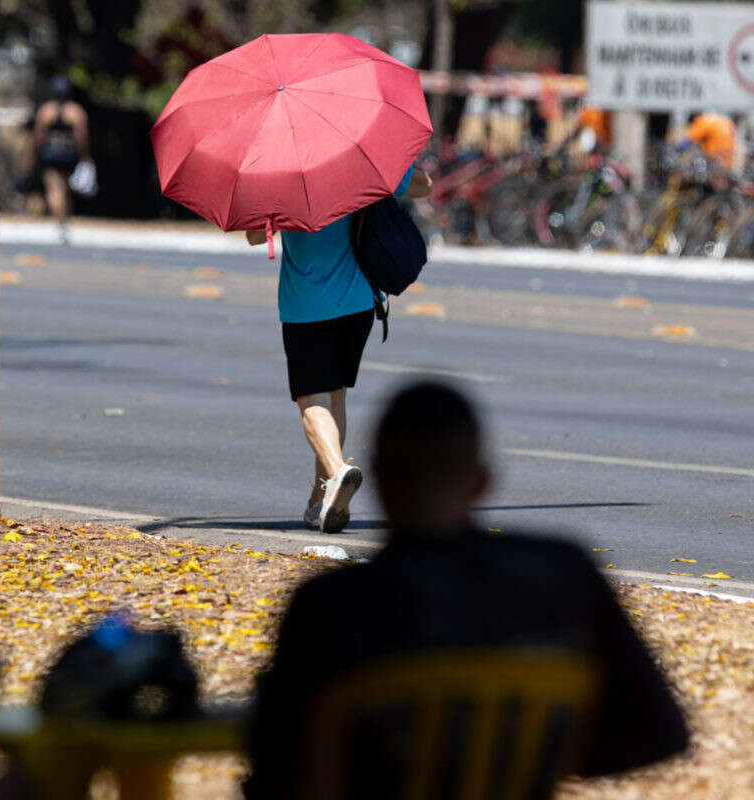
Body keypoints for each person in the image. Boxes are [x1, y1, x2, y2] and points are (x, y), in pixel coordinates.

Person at [245, 381, 689, 799]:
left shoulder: (329, 606)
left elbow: (277, 769)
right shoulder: (562, 574)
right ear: (481, 480)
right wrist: (529, 761)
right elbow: (661, 731)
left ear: (379, 477)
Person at [246, 169, 432, 532]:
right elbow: (424, 185)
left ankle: (336, 472)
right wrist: (403, 168)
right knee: (336, 397)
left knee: (310, 400)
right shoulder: (359, 163)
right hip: (359, 302)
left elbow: (255, 236)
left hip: (306, 306)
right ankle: (319, 500)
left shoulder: (281, 176)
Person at [31, 76, 92, 237]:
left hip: (52, 153)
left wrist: (34, 154)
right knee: (65, 188)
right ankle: (64, 220)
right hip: (69, 153)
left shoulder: (46, 111)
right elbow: (82, 137)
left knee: (54, 188)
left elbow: (38, 136)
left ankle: (59, 221)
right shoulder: (76, 112)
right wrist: (85, 155)